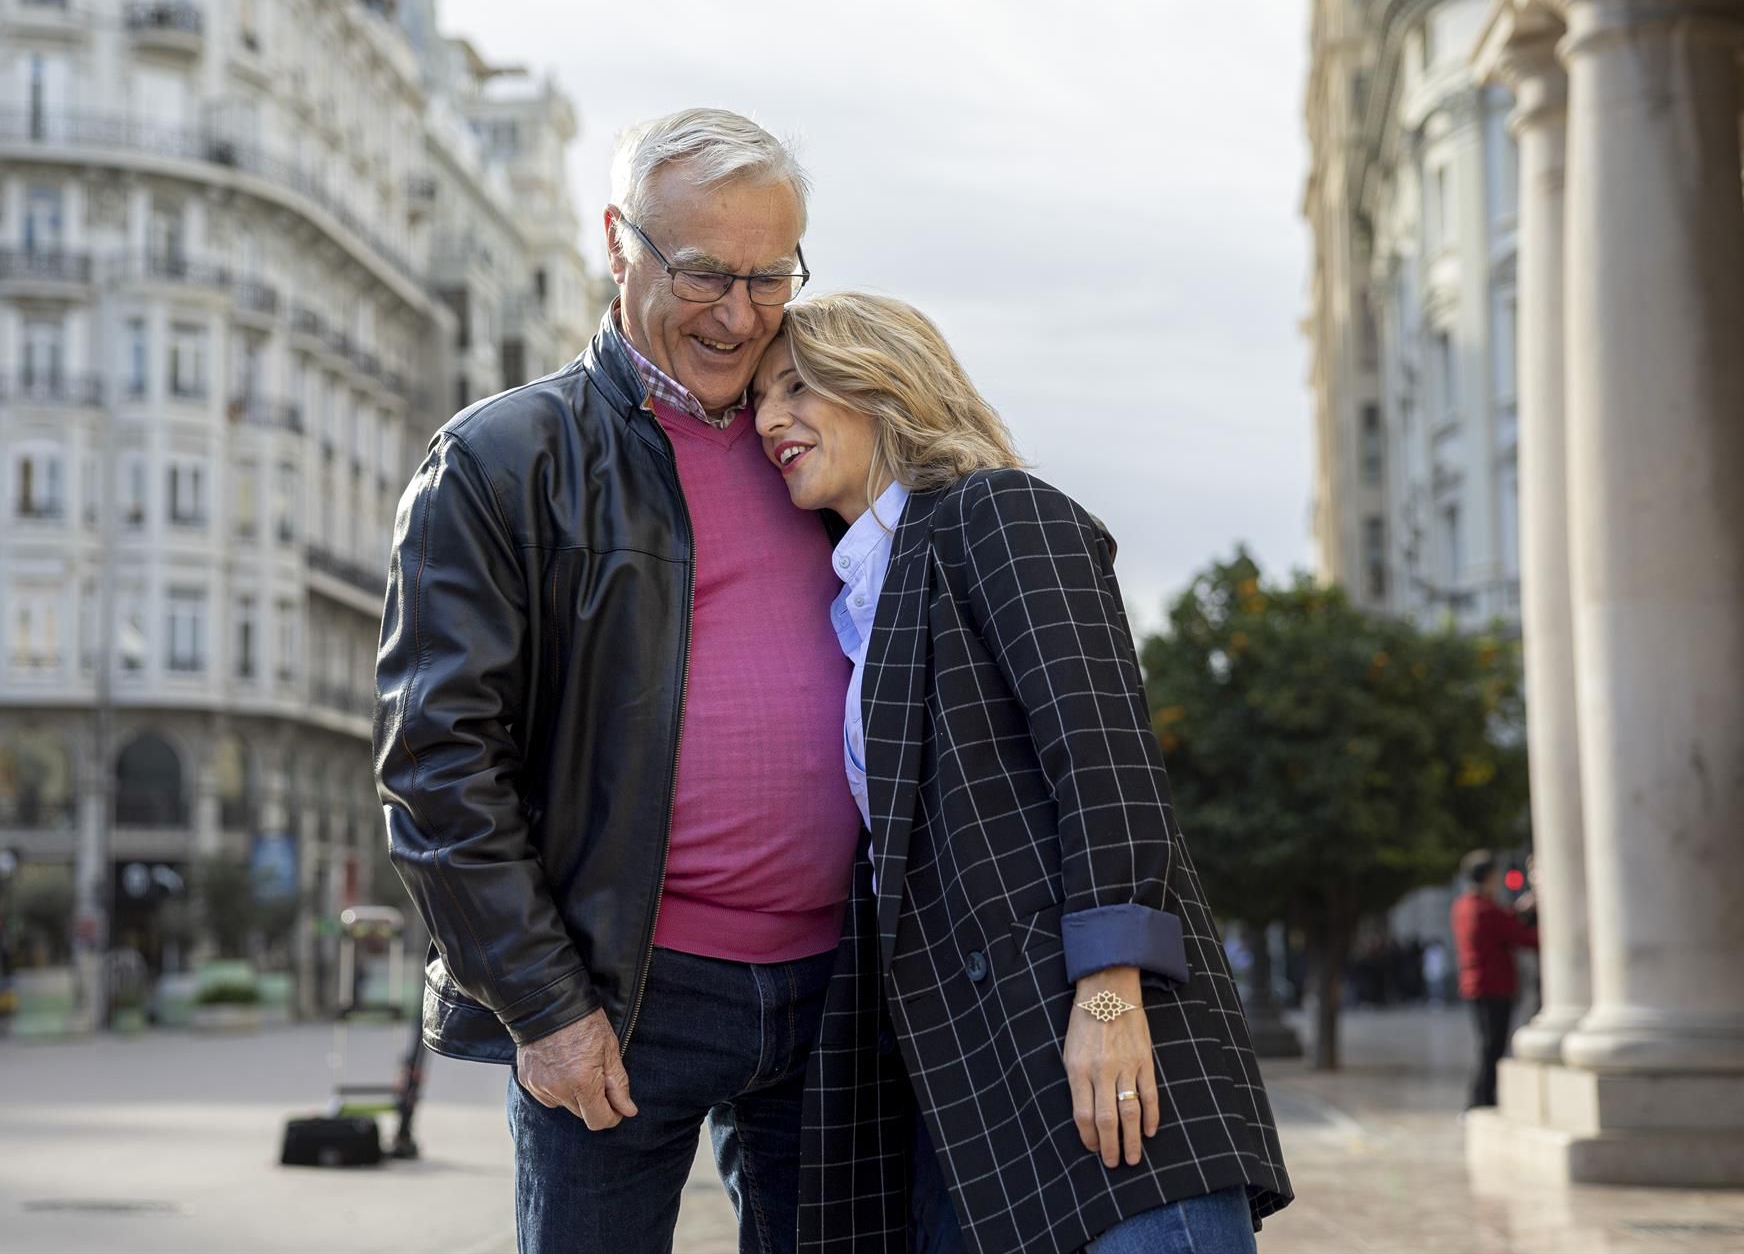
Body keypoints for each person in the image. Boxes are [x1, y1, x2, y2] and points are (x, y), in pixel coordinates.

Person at [375, 109, 848, 1253]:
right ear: (617, 243)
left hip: (839, 989)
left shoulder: (836, 438)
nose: (738, 316)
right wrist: (545, 1010)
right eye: (700, 273)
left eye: (768, 276)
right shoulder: (501, 459)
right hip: (620, 1002)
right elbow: (439, 766)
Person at [751, 292, 1293, 1253]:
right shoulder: (857, 599)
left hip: (1104, 1063)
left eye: (798, 385)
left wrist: (1110, 995)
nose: (768, 419)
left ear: (885, 383)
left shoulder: (997, 513)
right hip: (983, 1090)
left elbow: (1105, 762)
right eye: (759, 398)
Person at [1451, 849, 1538, 1109]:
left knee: (1487, 1045)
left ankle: (1480, 1100)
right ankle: (1481, 1101)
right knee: (1492, 1048)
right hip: (1494, 986)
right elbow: (1520, 936)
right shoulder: (1486, 910)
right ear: (1488, 877)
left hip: (1475, 986)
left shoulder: (1464, 906)